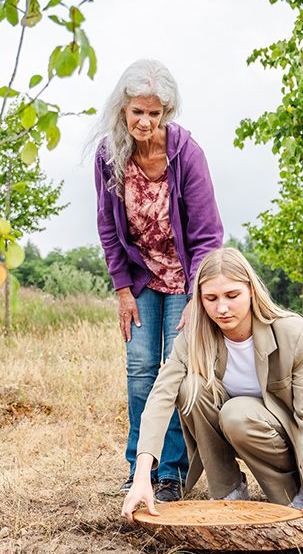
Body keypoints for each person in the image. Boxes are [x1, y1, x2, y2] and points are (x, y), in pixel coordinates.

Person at [120, 248, 303, 539]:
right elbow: (160, 397)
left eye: (232, 296)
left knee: (236, 413)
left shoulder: (292, 333)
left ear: (251, 290)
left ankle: (294, 497)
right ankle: (228, 493)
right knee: (190, 388)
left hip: (277, 442)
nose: (222, 308)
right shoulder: (193, 337)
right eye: (210, 299)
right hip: (224, 432)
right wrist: (142, 477)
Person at [93, 59, 223, 502]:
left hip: (186, 279)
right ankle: (139, 470)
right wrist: (123, 291)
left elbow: (207, 235)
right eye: (137, 112)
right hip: (142, 276)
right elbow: (108, 228)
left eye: (155, 113)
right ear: (122, 111)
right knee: (140, 371)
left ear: (166, 112)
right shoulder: (109, 156)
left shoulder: (187, 154)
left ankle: (169, 474)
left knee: (174, 372)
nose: (145, 121)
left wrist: (198, 296)